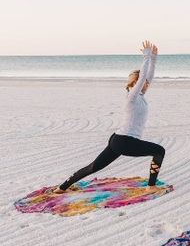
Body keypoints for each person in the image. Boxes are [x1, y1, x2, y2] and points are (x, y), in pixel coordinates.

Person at [54, 41, 165, 192]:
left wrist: (153, 58)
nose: (146, 84)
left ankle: (62, 187)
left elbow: (149, 76)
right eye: (143, 82)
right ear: (135, 82)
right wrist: (146, 55)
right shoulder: (132, 96)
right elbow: (144, 75)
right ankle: (151, 186)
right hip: (125, 140)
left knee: (93, 167)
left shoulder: (140, 95)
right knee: (159, 151)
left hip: (118, 139)